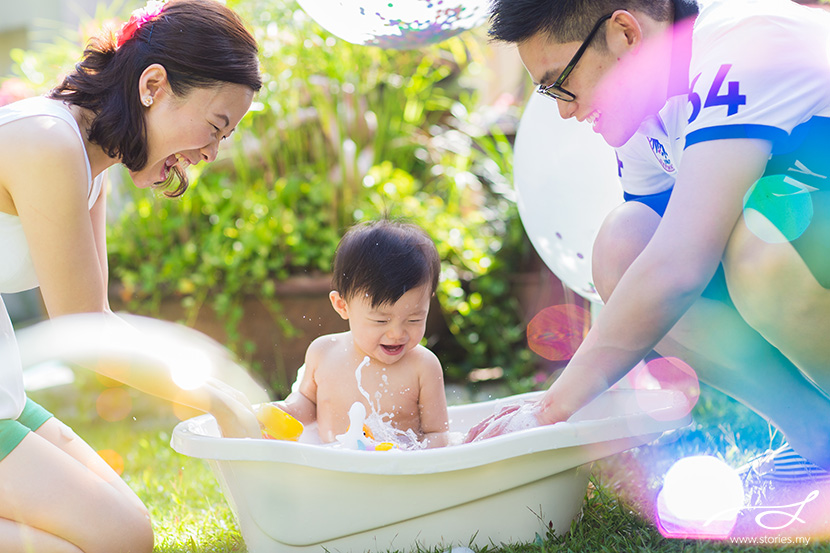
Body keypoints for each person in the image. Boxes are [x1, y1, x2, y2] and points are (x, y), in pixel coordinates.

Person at [467, 0, 830, 480]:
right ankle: (817, 440)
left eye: (561, 83)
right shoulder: (648, 109)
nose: (561, 110)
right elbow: (647, 261)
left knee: (761, 253)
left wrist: (550, 409)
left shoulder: (740, 46)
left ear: (624, 34)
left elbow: (679, 265)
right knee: (624, 246)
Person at [0, 0, 262, 550]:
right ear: (153, 85)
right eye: (215, 126)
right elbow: (82, 330)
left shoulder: (90, 158)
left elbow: (96, 316)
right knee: (115, 539)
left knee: (128, 532)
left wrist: (216, 392)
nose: (211, 153)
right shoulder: (48, 141)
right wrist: (215, 399)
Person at [278, 219, 450, 448]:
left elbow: (438, 434)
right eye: (381, 320)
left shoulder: (423, 367)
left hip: (395, 476)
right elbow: (308, 403)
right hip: (331, 470)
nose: (397, 333)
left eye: (414, 319)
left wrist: (405, 457)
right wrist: (286, 411)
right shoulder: (323, 352)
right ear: (342, 306)